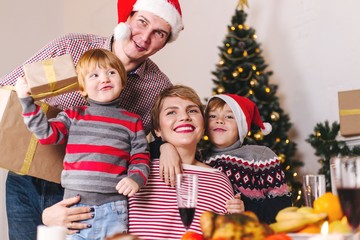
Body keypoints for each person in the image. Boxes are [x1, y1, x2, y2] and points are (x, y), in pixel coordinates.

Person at [0, 0, 184, 239]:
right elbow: (9, 89)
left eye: (159, 33)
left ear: (165, 42)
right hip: (26, 177)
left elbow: (145, 146)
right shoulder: (72, 47)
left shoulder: (157, 87)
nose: (145, 37)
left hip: (89, 197)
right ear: (127, 18)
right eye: (142, 22)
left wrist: (167, 146)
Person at [43, 85, 243, 239]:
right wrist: (48, 218)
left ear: (203, 123)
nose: (184, 117)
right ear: (157, 130)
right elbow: (92, 214)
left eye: (192, 111)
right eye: (171, 112)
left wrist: (238, 219)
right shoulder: (133, 174)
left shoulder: (219, 181)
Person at [15, 48, 150, 239]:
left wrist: (135, 178)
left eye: (111, 72)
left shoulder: (132, 121)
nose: (104, 79)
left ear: (122, 81)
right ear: (82, 89)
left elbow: (140, 157)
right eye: (94, 75)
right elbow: (46, 134)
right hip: (74, 210)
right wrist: (27, 102)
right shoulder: (73, 115)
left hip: (114, 210)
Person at [203, 94, 292, 224]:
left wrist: (247, 209)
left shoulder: (261, 157)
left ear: (241, 126)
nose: (219, 120)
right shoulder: (198, 158)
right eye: (212, 116)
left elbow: (283, 208)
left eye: (229, 116)